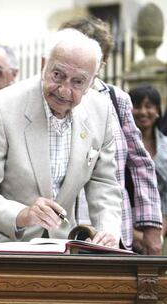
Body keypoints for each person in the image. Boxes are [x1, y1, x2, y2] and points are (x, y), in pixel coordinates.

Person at [0, 29, 122, 251]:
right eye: (57, 75)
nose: (64, 90)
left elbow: (104, 184)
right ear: (44, 64)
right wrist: (23, 214)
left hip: (55, 250)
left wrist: (108, 231)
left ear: (92, 82)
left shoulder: (102, 111)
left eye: (78, 82)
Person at [60, 16, 163, 254]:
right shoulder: (52, 97)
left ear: (102, 60)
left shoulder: (117, 100)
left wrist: (151, 228)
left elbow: (140, 164)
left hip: (112, 231)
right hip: (62, 232)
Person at [129, 84, 167, 249]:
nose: (143, 112)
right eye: (137, 106)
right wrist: (133, 233)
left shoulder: (166, 146)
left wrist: (159, 233)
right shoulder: (119, 146)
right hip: (123, 228)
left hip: (160, 231)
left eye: (149, 106)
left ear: (157, 111)